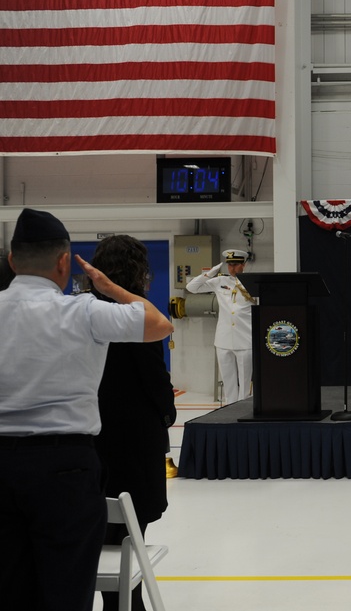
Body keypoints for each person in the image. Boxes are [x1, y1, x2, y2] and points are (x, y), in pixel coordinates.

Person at [0, 208, 173, 611]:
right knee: (66, 586)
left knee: (9, 585)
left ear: (12, 260)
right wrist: (108, 286)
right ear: (64, 262)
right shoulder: (82, 312)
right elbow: (158, 323)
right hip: (65, 467)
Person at [90, 234, 176, 611]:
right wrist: (166, 414)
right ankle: (125, 602)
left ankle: (118, 599)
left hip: (92, 431)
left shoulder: (82, 310)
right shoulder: (137, 315)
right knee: (129, 530)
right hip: (134, 436)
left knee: (102, 529)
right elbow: (153, 378)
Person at [186, 249, 255, 404]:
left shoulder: (252, 282)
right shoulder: (220, 282)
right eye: (229, 265)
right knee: (228, 380)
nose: (232, 268)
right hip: (223, 339)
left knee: (245, 383)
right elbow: (191, 288)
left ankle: (243, 408)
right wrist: (209, 273)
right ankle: (230, 408)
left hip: (245, 339)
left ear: (243, 265)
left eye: (236, 264)